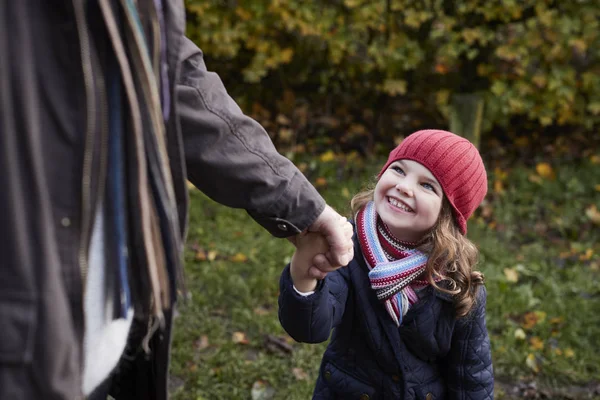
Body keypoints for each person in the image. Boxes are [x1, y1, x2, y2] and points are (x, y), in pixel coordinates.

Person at [0, 2, 353, 400]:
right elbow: (311, 324)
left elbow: (172, 77)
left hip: (97, 343)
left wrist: (300, 205)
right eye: (400, 170)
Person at [279, 129, 494, 399]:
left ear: (447, 214)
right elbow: (310, 328)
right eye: (399, 170)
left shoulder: (457, 282)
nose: (404, 186)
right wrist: (304, 274)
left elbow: (471, 375)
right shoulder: (347, 245)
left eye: (427, 185)